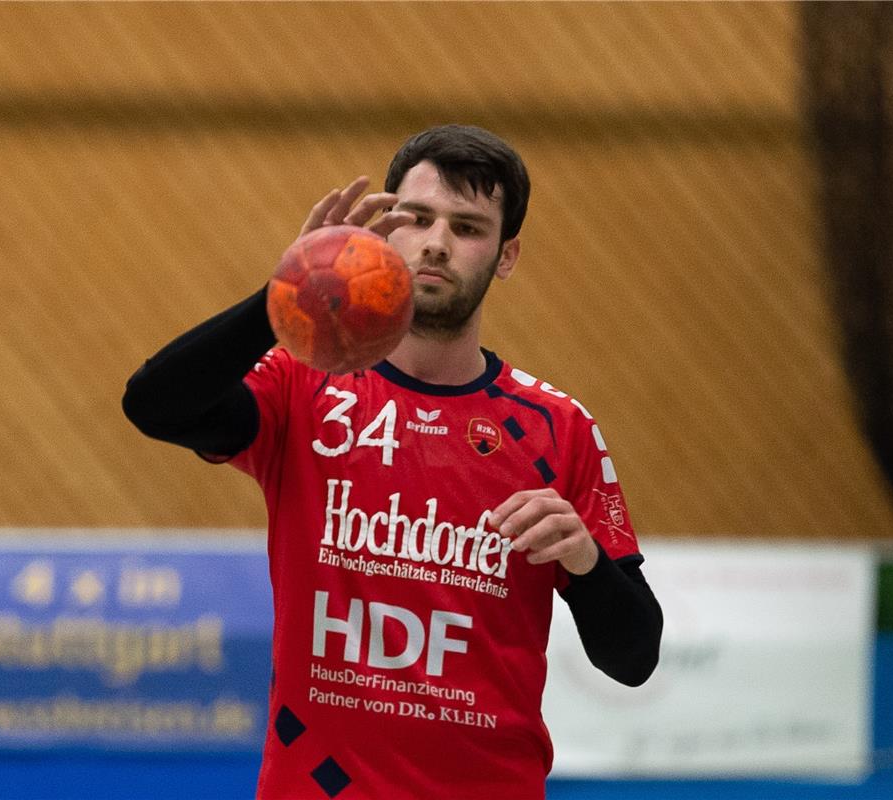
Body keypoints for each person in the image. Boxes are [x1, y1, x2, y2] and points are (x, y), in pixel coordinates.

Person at [122, 124, 663, 800]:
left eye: (468, 227)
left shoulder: (558, 428)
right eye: (417, 218)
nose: (437, 241)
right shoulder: (305, 386)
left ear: (505, 255)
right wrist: (286, 294)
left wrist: (585, 564)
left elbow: (635, 658)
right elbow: (154, 405)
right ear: (383, 234)